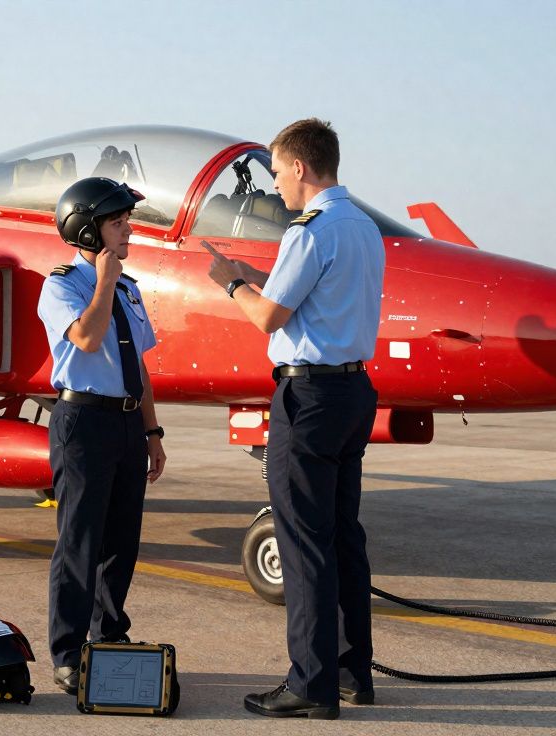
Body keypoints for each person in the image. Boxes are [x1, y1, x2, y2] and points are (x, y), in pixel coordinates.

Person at [204, 118, 385, 720]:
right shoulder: (360, 226)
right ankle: (352, 672)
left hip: (307, 401)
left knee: (303, 542)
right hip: (354, 392)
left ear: (301, 168)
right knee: (342, 535)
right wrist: (258, 280)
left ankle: (310, 684)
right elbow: (320, 299)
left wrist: (232, 283)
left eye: (278, 171)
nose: (276, 184)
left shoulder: (308, 231)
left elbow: (270, 319)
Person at [37, 176, 167, 695]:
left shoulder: (130, 289)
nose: (128, 231)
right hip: (83, 424)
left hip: (127, 422)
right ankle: (67, 653)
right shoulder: (63, 285)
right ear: (88, 231)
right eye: (117, 223)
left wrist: (152, 432)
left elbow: (139, 365)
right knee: (79, 543)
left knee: (121, 542)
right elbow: (87, 340)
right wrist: (104, 282)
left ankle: (109, 634)